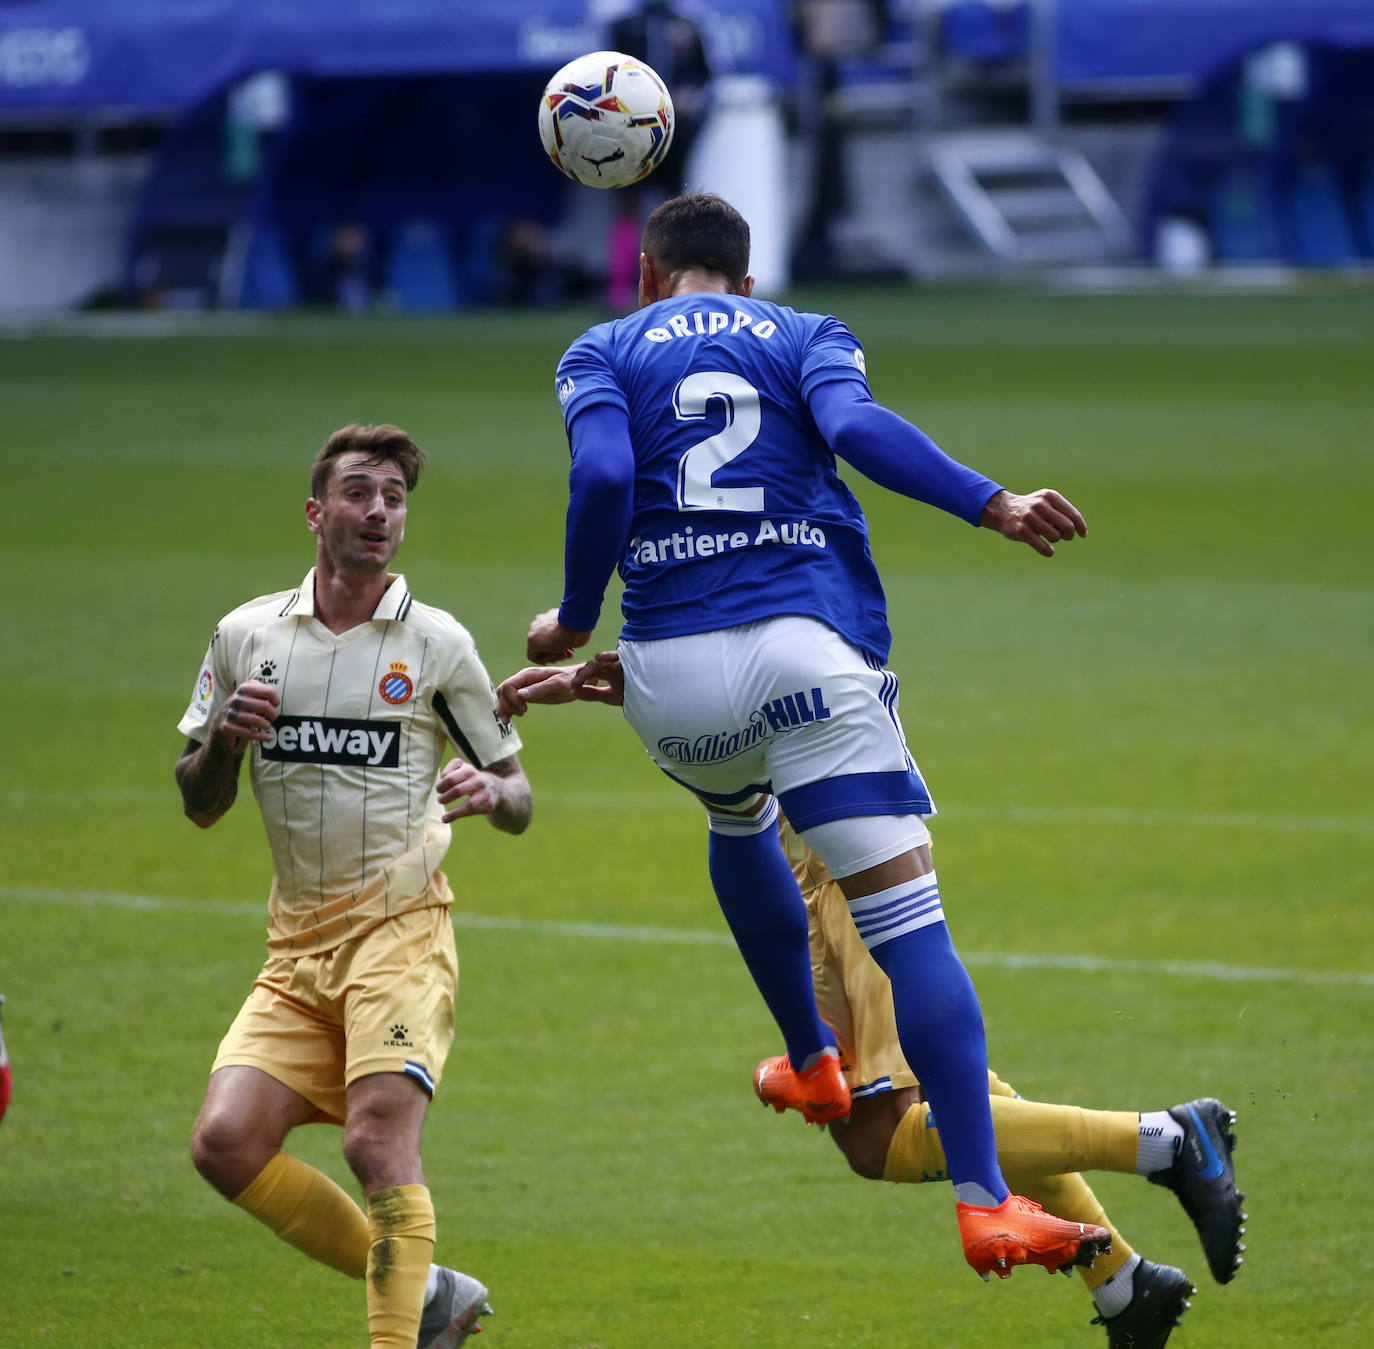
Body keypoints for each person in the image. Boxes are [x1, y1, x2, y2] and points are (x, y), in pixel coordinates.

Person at [525, 191, 1102, 1281]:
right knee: (911, 931)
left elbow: (603, 474)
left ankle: (811, 1059)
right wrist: (993, 502)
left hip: (672, 676)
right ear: (746, 283)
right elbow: (856, 432)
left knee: (733, 813)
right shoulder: (802, 333)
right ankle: (986, 1202)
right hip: (806, 652)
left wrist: (569, 614)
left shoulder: (599, 345)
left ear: (645, 276)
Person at [496, 657, 1248, 1348]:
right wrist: (643, 681)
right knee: (950, 1101)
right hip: (818, 851)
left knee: (883, 1135)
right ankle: (1123, 1284)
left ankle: (1170, 1141)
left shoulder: (770, 553)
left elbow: (763, 643)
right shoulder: (758, 556)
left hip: (845, 858)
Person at [174, 423, 530, 1349]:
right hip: (296, 945)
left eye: (395, 499)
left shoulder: (438, 643)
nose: (380, 512)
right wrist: (226, 740)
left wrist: (492, 790)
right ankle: (432, 1290)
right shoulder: (244, 635)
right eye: (361, 493)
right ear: (315, 511)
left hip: (401, 930)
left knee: (376, 1141)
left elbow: (520, 792)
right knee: (224, 1143)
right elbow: (199, 802)